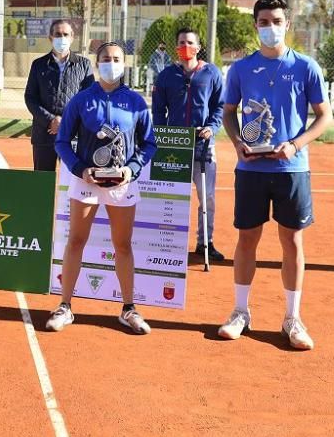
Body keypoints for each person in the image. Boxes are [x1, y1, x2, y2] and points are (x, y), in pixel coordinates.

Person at [217, 0, 332, 351]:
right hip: (250, 168)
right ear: (256, 26)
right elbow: (229, 113)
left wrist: (296, 145)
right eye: (264, 22)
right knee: (247, 239)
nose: (270, 27)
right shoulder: (239, 69)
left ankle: (292, 318)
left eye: (276, 21)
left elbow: (323, 116)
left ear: (287, 25)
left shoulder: (306, 67)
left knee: (292, 240)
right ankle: (240, 311)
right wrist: (237, 143)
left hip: (291, 168)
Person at [47, 41, 157, 335]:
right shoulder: (82, 100)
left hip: (122, 185)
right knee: (76, 242)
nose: (111, 63)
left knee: (122, 245)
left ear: (125, 63)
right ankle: (65, 306)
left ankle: (128, 308)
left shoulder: (135, 102)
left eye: (116, 58)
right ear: (97, 64)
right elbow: (61, 141)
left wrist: (130, 170)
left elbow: (148, 144)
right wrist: (80, 169)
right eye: (106, 59)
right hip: (86, 182)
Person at [151, 28, 225, 260]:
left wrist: (211, 128)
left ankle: (205, 242)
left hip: (203, 146)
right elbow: (157, 111)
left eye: (190, 42)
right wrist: (163, 136)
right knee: (172, 198)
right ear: (176, 46)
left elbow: (220, 107)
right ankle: (170, 243)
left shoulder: (211, 73)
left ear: (198, 46)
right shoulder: (165, 76)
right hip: (174, 148)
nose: (186, 46)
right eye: (181, 42)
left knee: (208, 197)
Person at [24, 19, 94, 171]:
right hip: (44, 134)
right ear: (50, 37)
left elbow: (88, 100)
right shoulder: (38, 64)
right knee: (42, 183)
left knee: (71, 184)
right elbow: (30, 97)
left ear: (72, 37)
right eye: (58, 34)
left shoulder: (84, 65)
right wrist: (50, 121)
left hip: (74, 136)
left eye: (65, 34)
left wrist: (66, 122)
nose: (62, 38)